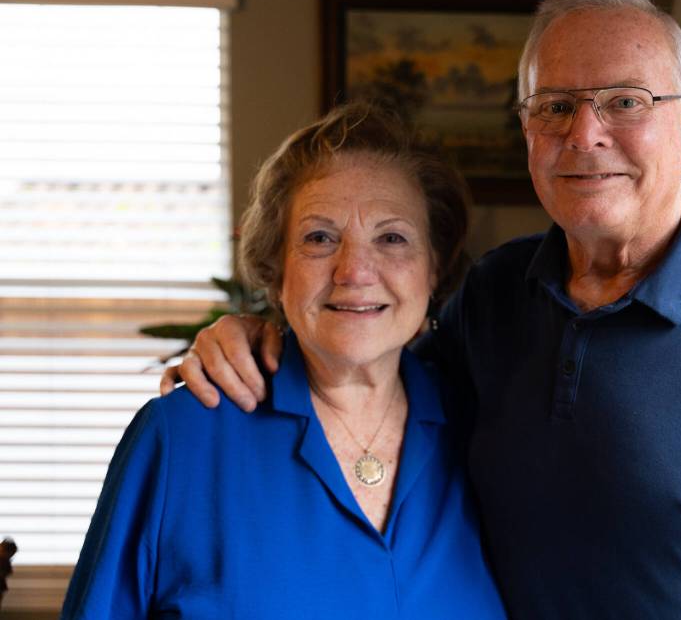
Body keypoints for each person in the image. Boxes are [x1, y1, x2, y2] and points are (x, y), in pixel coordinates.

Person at [168, 0, 681, 618]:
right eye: (553, 106)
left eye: (626, 101)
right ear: (527, 130)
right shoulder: (493, 297)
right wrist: (251, 336)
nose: (586, 133)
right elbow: (361, 377)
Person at [63, 103, 506, 619]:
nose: (355, 271)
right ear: (276, 274)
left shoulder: (486, 432)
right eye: (320, 238)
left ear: (434, 270)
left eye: (392, 238)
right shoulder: (180, 439)